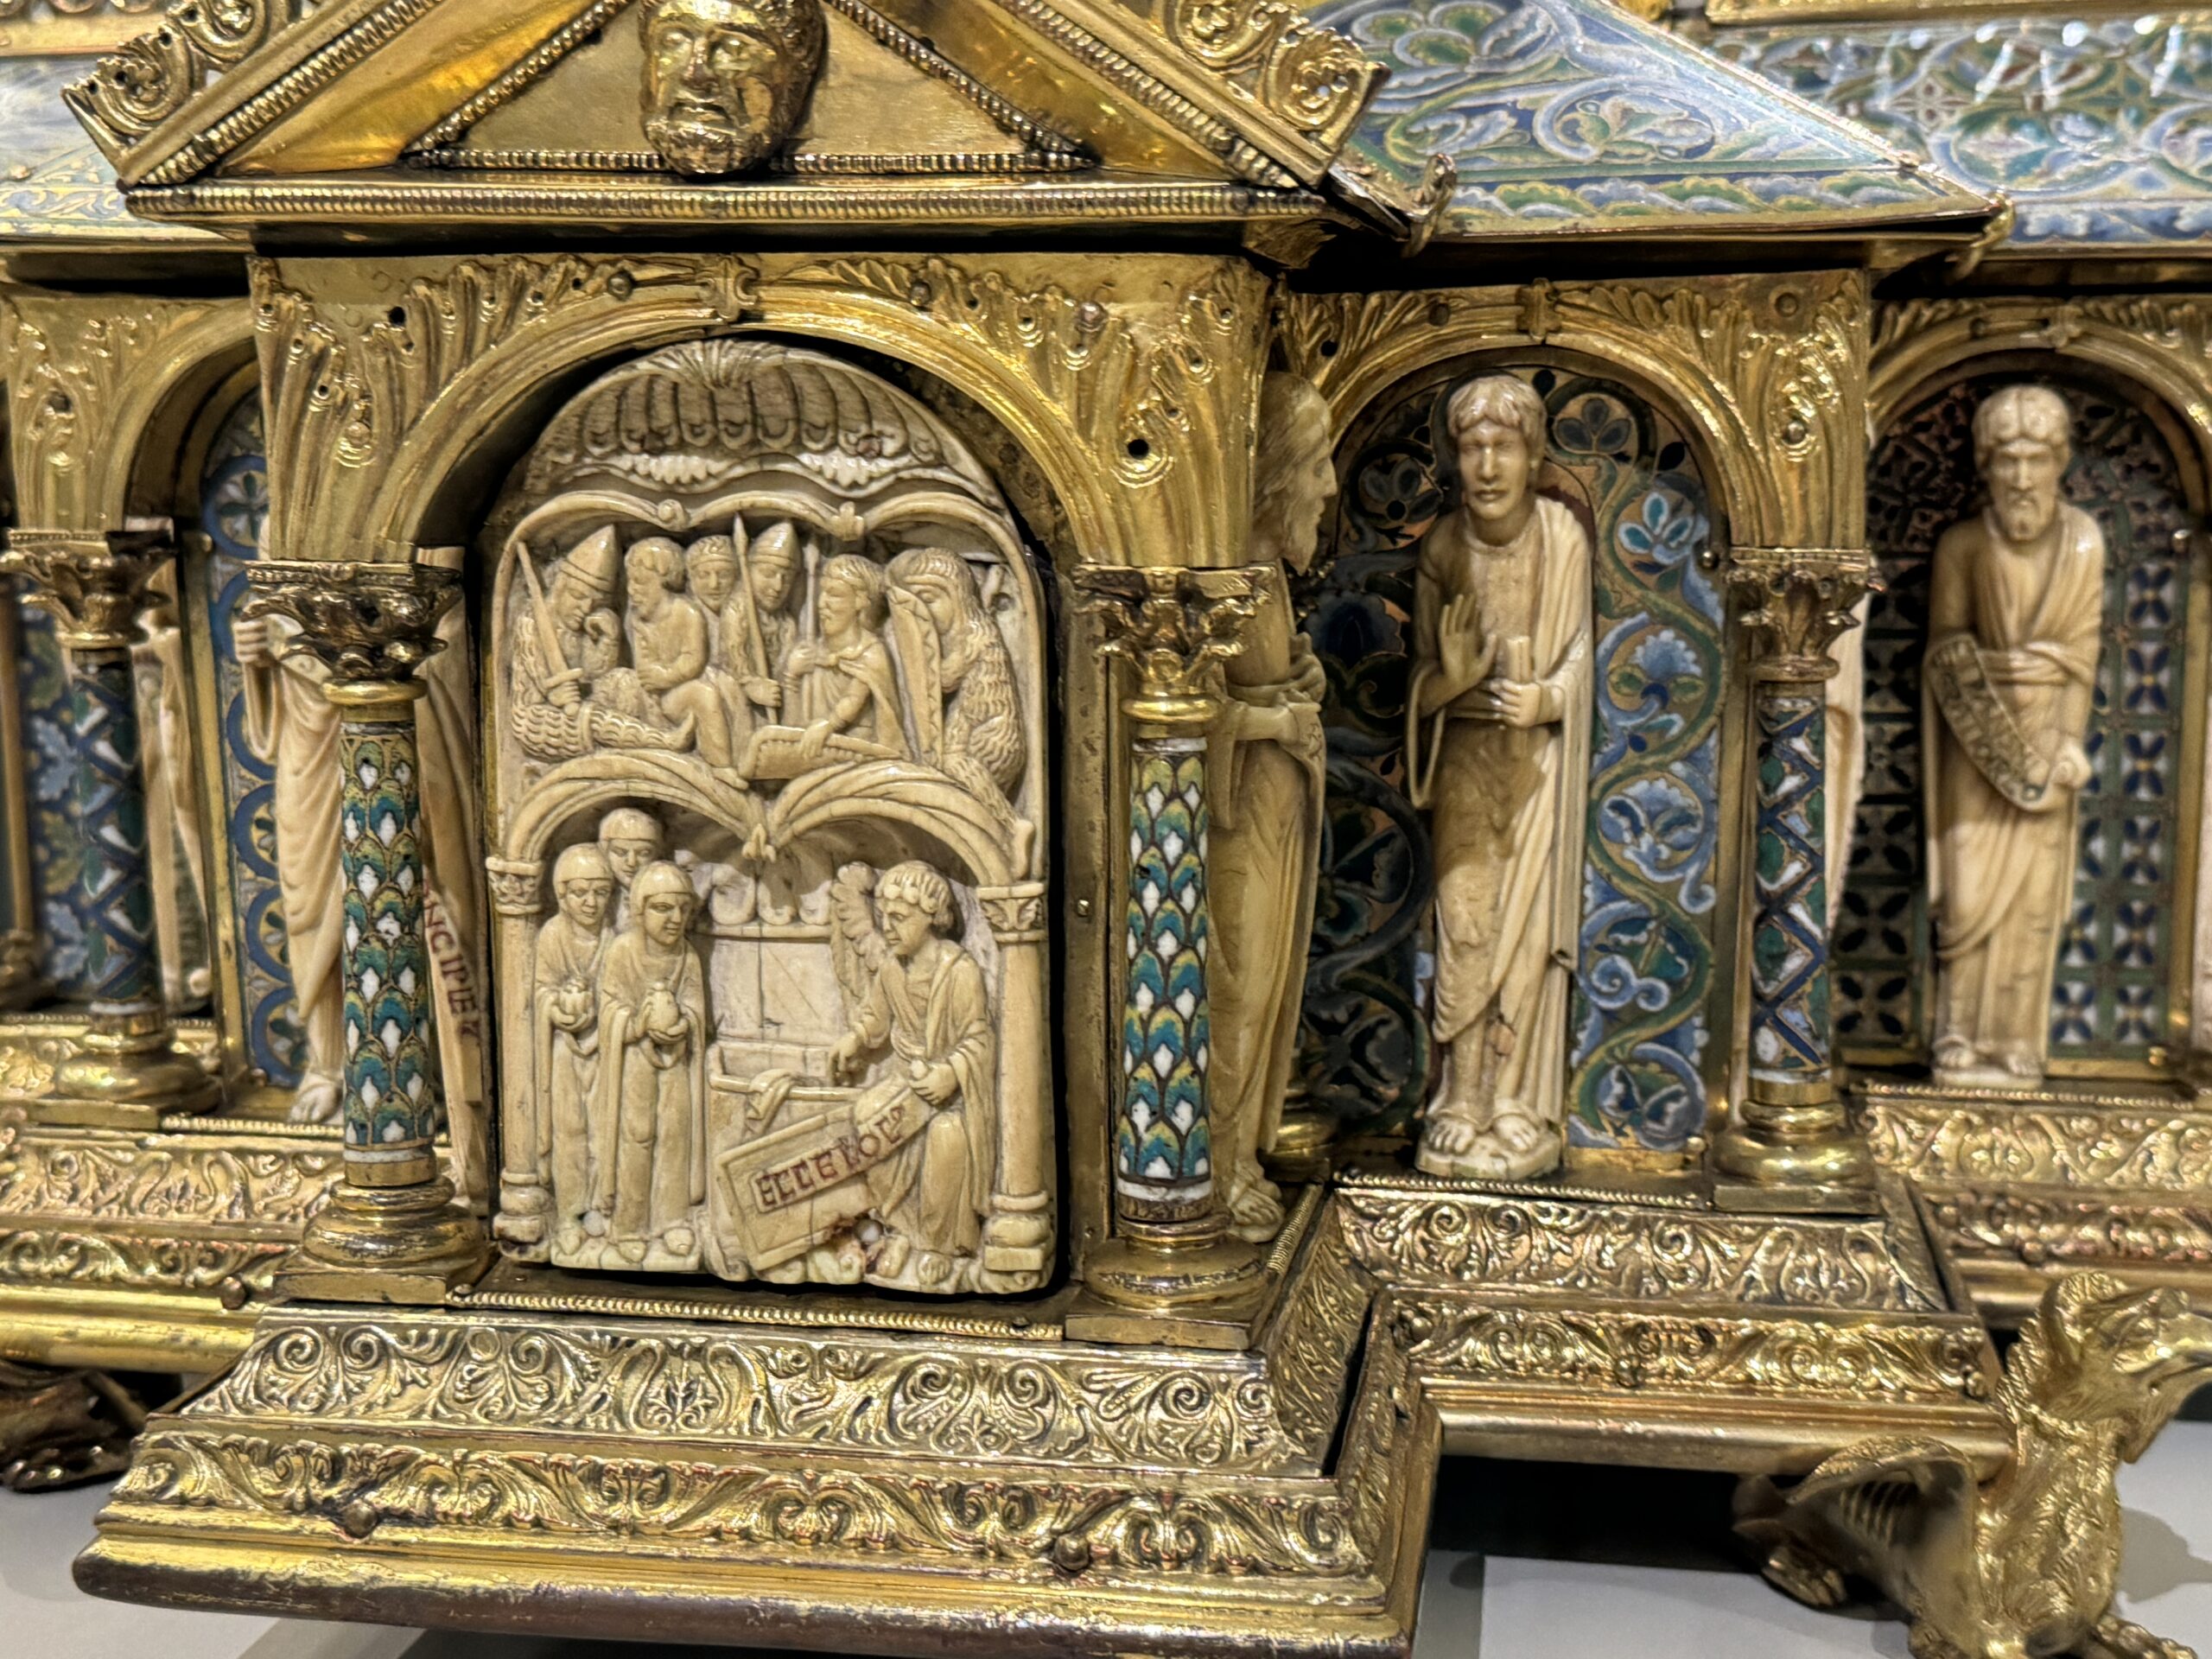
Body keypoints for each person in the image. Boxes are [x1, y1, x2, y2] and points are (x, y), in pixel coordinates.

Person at [1407, 375, 1592, 1180]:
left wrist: (1546, 699)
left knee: (1526, 936)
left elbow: (1581, 657)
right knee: (1467, 925)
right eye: (1472, 448)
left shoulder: (1561, 536)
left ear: (1534, 456)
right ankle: (1460, 1099)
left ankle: (1516, 1103)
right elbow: (1421, 682)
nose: (1487, 466)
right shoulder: (1444, 548)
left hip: (1538, 768)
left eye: (1503, 448)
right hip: (1465, 762)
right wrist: (1449, 682)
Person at [1925, 385, 2101, 1086]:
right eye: (2008, 461)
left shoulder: (2084, 542)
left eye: (2036, 460)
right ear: (1987, 468)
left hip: (2047, 740)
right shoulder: (1963, 545)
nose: (2022, 478)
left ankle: (2014, 1038)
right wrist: (1989, 676)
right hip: (1976, 739)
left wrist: (2069, 742)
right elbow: (1945, 645)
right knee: (1967, 894)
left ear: (2061, 462)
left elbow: (2083, 653)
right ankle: (1957, 1031)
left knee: (2032, 901)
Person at [1208, 373, 1332, 1240]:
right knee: (1236, 989)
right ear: (1278, 473)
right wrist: (1271, 718)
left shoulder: (1268, 577)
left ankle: (1241, 1153)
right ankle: (1215, 1168)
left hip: (1279, 802)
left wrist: (1298, 681)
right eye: (1318, 464)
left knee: (1271, 980)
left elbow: (1266, 679)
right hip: (1237, 813)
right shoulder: (1225, 582)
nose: (1330, 485)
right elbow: (1180, 710)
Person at [830, 861, 995, 1287]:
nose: (887, 927)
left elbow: (979, 1039)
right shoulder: (891, 969)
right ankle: (899, 1227)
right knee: (867, 1114)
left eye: (899, 918)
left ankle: (940, 1244)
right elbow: (876, 1018)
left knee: (946, 1137)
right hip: (906, 1084)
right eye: (884, 917)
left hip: (951, 1096)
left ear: (932, 917)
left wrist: (950, 1073)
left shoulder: (959, 971)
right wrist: (855, 1039)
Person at [588, 860, 709, 1267]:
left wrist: (682, 1024)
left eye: (682, 909)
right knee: (637, 1136)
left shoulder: (687, 956)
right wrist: (639, 1023)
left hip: (674, 1060)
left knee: (674, 1134)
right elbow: (609, 1008)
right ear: (639, 911)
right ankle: (629, 1224)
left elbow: (696, 1009)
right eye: (662, 908)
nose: (674, 918)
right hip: (635, 1061)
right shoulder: (623, 952)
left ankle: (672, 1220)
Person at [887, 549, 1025, 818]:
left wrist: (912, 652)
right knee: (945, 768)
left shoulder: (974, 634)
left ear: (956, 597)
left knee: (956, 767)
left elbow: (945, 680)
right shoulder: (967, 628)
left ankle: (1008, 822)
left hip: (994, 733)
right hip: (969, 721)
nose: (925, 613)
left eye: (929, 600)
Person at [533, 844, 615, 1253]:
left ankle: (600, 1205)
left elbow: (621, 994)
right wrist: (559, 1006)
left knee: (603, 1129)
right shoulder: (552, 935)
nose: (590, 902)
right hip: (565, 1050)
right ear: (562, 895)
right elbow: (540, 991)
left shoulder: (614, 939)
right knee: (570, 1131)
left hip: (605, 1049)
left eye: (600, 892)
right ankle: (569, 1212)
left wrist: (602, 1011)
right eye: (580, 892)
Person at [784, 553, 908, 766]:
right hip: (811, 758)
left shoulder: (870, 653)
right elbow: (792, 727)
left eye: (835, 595)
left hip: (858, 758)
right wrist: (791, 678)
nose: (822, 603)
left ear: (860, 601)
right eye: (823, 592)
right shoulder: (812, 652)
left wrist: (828, 725)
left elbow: (853, 699)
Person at [622, 537, 735, 766]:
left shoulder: (687, 613)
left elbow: (694, 659)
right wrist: (649, 677)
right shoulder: (636, 619)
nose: (631, 589)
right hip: (650, 696)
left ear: (664, 581)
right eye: (630, 581)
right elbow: (642, 663)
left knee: (703, 694)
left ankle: (721, 765)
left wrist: (665, 675)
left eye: (640, 582)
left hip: (675, 693)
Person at [596, 807, 664, 931]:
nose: (631, 862)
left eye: (643, 853)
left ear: (656, 855)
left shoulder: (666, 895)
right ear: (605, 853)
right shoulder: (595, 897)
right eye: (620, 852)